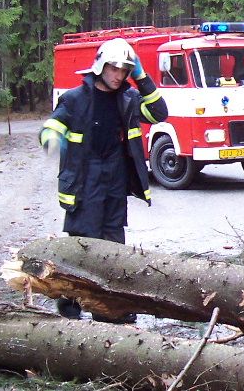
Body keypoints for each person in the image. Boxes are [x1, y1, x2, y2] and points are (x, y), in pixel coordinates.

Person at [39, 37, 168, 322]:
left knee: (113, 245)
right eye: (114, 69)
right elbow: (53, 124)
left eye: (124, 70)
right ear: (100, 66)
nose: (119, 75)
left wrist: (142, 77)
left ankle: (111, 308)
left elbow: (159, 113)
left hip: (115, 176)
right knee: (82, 244)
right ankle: (69, 303)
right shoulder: (75, 98)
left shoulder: (129, 97)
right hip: (85, 179)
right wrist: (51, 138)